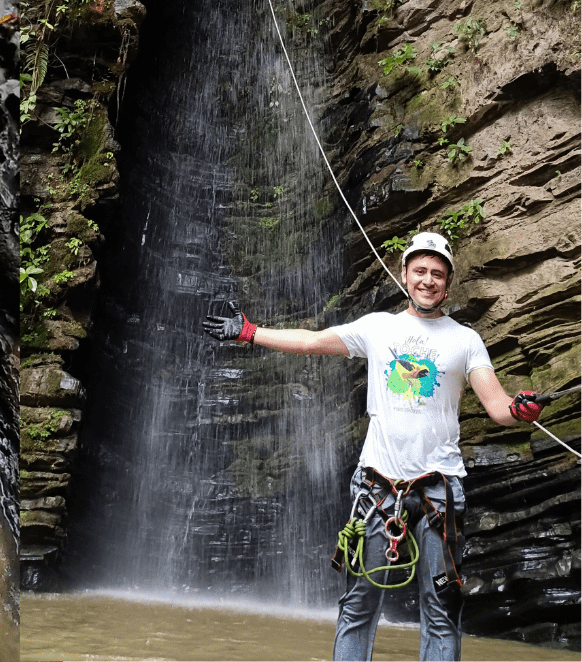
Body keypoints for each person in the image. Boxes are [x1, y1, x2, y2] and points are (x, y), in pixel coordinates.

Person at [200, 231, 545, 662]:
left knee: (441, 609)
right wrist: (248, 332)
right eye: (420, 270)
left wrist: (520, 409)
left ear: (449, 283)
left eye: (438, 273)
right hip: (379, 488)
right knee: (359, 605)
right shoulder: (378, 327)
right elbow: (311, 341)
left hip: (440, 490)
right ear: (404, 274)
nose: (428, 280)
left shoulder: (466, 340)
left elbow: (497, 406)